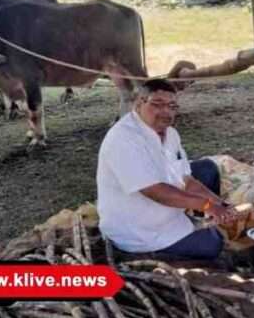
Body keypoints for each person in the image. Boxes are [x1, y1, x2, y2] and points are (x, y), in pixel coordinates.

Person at [96, 78, 240, 259]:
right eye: (158, 104)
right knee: (213, 244)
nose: (166, 112)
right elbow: (156, 192)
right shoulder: (123, 139)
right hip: (138, 229)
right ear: (139, 103)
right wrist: (207, 206)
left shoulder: (170, 134)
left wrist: (219, 204)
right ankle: (150, 252)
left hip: (168, 212)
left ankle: (190, 218)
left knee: (207, 169)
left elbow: (187, 181)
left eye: (172, 106)